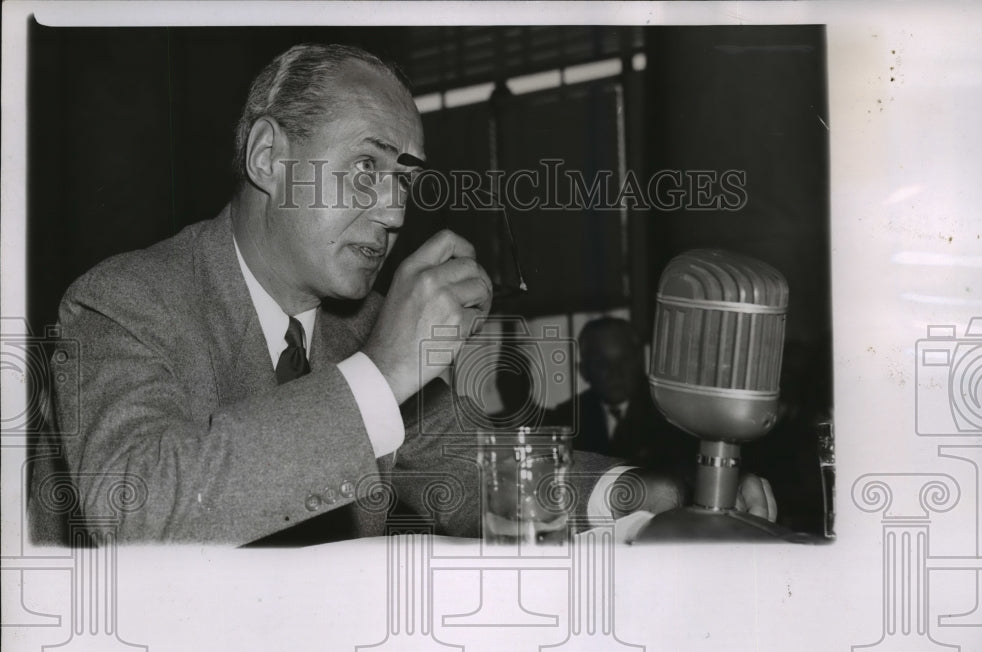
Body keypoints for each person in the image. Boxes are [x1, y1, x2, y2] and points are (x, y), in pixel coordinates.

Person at [29, 43, 775, 546]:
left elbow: (479, 471)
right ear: (267, 157)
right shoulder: (121, 300)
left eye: (405, 183)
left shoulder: (362, 325)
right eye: (366, 169)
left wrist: (645, 494)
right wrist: (383, 374)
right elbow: (132, 505)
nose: (393, 211)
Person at [549, 317, 698, 479]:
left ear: (640, 360)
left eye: (624, 360)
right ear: (584, 371)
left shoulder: (672, 412)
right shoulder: (567, 419)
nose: (615, 373)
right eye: (602, 363)